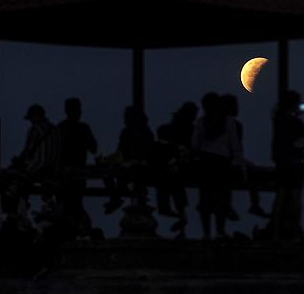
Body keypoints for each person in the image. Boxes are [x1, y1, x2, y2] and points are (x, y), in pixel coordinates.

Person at [192, 92, 244, 239]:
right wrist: (239, 162)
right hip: (222, 163)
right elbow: (235, 144)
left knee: (205, 198)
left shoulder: (201, 122)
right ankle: (220, 231)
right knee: (221, 197)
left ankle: (206, 232)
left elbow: (194, 144)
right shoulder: (228, 122)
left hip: (205, 162)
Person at [270, 90, 304, 240]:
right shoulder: (293, 122)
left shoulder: (278, 119)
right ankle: (293, 231)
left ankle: (276, 231)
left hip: (282, 162)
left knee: (281, 196)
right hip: (295, 163)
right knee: (295, 197)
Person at [220, 93, 269, 220]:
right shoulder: (234, 124)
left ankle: (251, 205)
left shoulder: (211, 122)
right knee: (252, 171)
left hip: (221, 160)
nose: (238, 108)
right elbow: (236, 147)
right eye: (235, 106)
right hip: (228, 161)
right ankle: (254, 204)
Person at [154, 101, 197, 238]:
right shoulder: (185, 129)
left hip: (175, 168)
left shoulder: (186, 129)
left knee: (172, 197)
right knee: (174, 198)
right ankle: (181, 220)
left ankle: (181, 221)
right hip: (173, 168)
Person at [56, 97, 98, 236]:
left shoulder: (61, 128)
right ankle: (79, 230)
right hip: (77, 175)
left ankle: (71, 230)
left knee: (66, 205)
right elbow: (94, 148)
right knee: (74, 205)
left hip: (63, 176)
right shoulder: (82, 128)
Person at [102, 106, 155, 214]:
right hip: (126, 164)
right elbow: (120, 151)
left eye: (127, 117)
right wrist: (107, 159)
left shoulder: (145, 133)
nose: (125, 120)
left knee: (123, 174)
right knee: (107, 171)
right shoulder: (126, 133)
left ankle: (116, 197)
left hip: (139, 166)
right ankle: (115, 197)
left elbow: (147, 153)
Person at [0, 177, 35, 278]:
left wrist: (25, 222)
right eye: (13, 184)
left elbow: (23, 217)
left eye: (16, 184)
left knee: (27, 240)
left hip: (16, 229)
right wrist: (7, 216)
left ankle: (25, 271)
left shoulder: (21, 201)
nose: (15, 187)